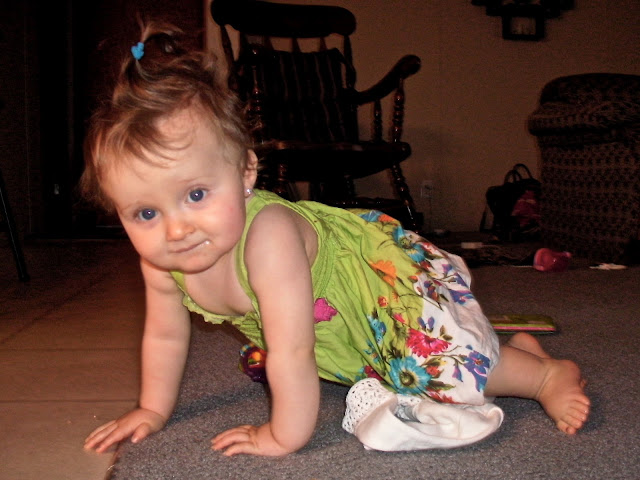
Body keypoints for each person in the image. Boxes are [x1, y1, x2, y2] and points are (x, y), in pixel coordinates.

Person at [82, 22, 589, 457]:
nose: (176, 229)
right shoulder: (161, 263)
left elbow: (293, 350)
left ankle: (545, 376)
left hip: (381, 290)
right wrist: (152, 408)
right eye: (145, 212)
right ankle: (511, 353)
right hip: (338, 324)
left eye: (196, 194)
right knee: (388, 377)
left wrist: (283, 435)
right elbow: (165, 337)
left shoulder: (268, 237)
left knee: (436, 371)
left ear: (245, 173)